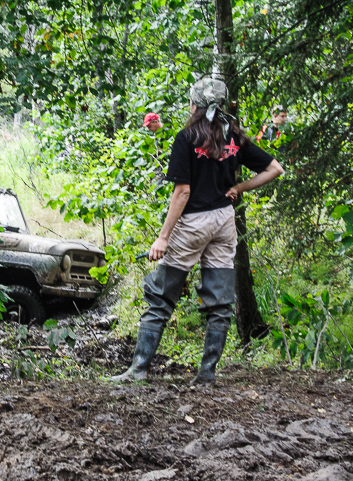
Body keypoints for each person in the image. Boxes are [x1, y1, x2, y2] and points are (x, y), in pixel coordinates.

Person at [110, 78, 284, 386]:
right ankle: (206, 375)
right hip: (224, 221)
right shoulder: (234, 137)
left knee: (161, 296)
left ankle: (138, 370)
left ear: (194, 105)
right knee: (220, 302)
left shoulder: (186, 138)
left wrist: (163, 237)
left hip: (193, 223)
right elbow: (275, 169)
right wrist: (240, 187)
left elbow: (183, 192)